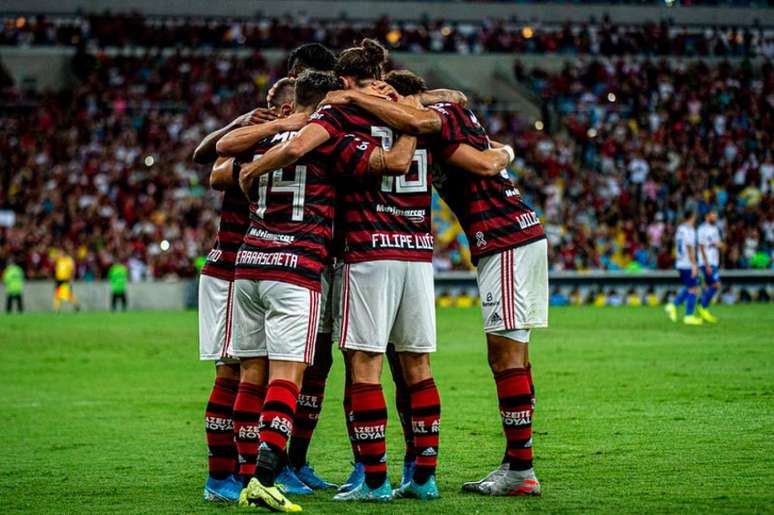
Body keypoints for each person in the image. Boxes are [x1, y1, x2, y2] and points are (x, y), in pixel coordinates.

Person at [327, 68, 546, 497]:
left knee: (506, 359)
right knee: (512, 356)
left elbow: (478, 158)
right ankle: (518, 463)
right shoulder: (447, 108)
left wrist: (502, 154)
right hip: (514, 235)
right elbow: (459, 97)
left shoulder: (434, 118)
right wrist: (504, 151)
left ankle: (521, 469)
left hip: (504, 237)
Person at [231, 69, 417, 512]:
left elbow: (220, 154)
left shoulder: (261, 137)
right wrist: (408, 117)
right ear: (328, 101)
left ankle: (241, 476)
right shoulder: (331, 139)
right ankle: (264, 478)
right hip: (296, 269)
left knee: (251, 376)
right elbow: (391, 164)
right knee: (287, 377)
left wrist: (254, 160)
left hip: (248, 265)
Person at [665, 211, 703, 325]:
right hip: (687, 264)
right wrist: (694, 265)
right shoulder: (689, 230)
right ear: (692, 217)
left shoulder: (680, 229)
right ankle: (688, 315)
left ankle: (673, 305)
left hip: (680, 262)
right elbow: (689, 247)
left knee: (690, 286)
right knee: (693, 289)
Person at [697, 210, 723, 323]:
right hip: (707, 263)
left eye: (716, 215)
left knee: (710, 286)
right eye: (713, 215)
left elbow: (719, 244)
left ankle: (704, 310)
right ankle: (702, 306)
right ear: (707, 216)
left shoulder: (715, 229)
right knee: (716, 285)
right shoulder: (702, 229)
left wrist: (720, 245)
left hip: (714, 261)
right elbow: (701, 247)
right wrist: (706, 264)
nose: (715, 217)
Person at [53, 247, 80, 312]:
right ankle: (56, 309)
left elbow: (72, 270)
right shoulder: (58, 260)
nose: (59, 254)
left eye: (61, 252)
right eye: (59, 253)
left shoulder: (68, 260)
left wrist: (72, 277)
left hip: (66, 279)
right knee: (57, 294)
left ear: (64, 252)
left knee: (68, 294)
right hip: (58, 279)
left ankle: (76, 304)